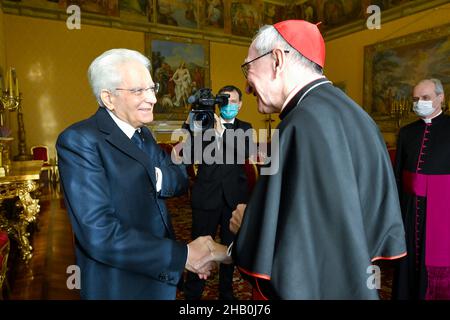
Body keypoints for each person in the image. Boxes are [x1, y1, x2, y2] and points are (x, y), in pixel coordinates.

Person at [201, 20, 407, 299]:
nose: (246, 88)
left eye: (247, 68)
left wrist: (247, 224)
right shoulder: (357, 115)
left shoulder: (301, 123)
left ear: (276, 60)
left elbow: (301, 244)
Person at [56, 48, 214, 300]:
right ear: (108, 98)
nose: (152, 98)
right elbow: (100, 234)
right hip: (120, 285)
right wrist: (183, 256)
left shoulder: (144, 135)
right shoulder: (79, 141)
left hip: (158, 277)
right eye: (139, 91)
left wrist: (153, 176)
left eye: (152, 88)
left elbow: (180, 180)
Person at [182, 85, 253, 300]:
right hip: (206, 196)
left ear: (240, 104)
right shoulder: (205, 125)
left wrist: (221, 132)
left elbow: (243, 152)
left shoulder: (245, 127)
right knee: (199, 245)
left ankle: (226, 291)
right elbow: (188, 146)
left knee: (230, 249)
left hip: (235, 198)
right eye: (224, 100)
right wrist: (196, 113)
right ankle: (193, 292)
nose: (229, 105)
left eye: (233, 101)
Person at [393, 78, 450, 300]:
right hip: (410, 209)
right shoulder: (407, 132)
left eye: (425, 98)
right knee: (408, 261)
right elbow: (398, 175)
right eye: (416, 99)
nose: (419, 103)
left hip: (443, 212)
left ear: (441, 98)